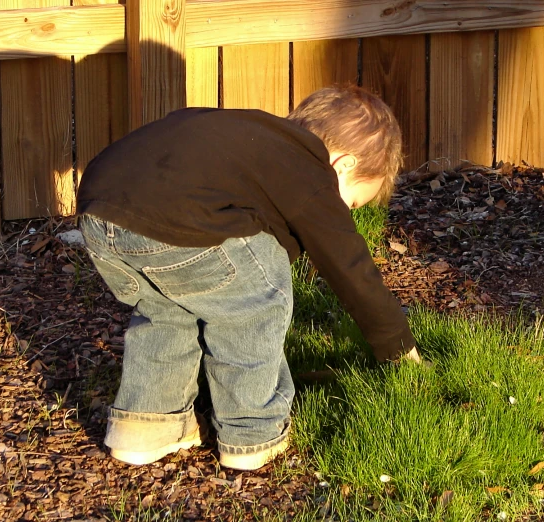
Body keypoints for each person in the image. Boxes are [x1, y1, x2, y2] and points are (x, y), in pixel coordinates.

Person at [75, 85, 420, 471]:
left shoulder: (250, 136)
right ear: (342, 165)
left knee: (169, 305)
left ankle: (146, 428)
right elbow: (351, 268)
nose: (346, 211)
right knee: (256, 301)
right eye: (352, 203)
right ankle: (252, 434)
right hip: (174, 220)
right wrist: (396, 343)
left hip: (99, 211)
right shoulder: (311, 168)